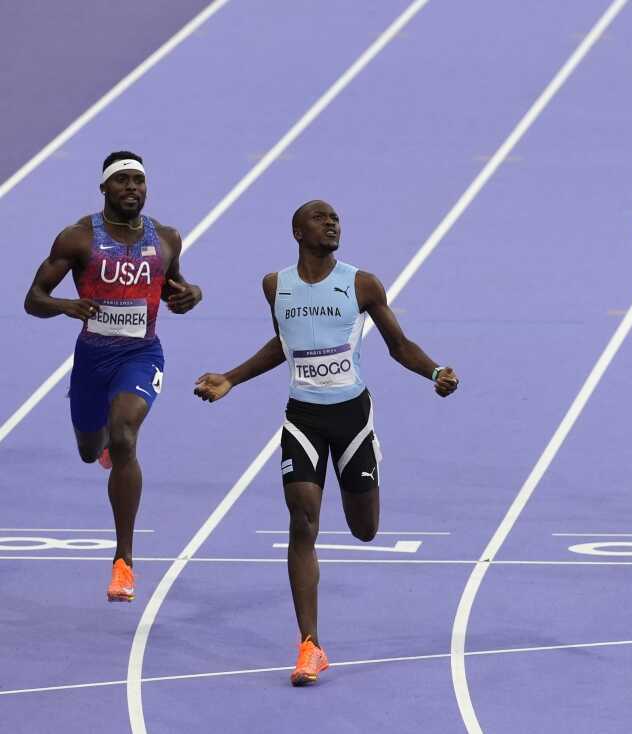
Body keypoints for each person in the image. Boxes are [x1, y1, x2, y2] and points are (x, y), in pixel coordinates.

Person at [193, 199, 459, 686]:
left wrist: (435, 371)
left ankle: (359, 485)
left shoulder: (361, 284)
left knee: (364, 529)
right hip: (303, 419)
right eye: (321, 218)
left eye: (336, 217)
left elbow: (398, 345)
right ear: (297, 231)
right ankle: (310, 645)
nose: (332, 223)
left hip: (352, 417)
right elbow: (284, 344)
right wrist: (231, 378)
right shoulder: (276, 286)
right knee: (302, 521)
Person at [24, 150, 203, 602]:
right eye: (122, 181)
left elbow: (177, 287)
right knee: (92, 449)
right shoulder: (78, 238)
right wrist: (66, 305)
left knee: (125, 435)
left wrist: (192, 295)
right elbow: (34, 298)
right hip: (92, 359)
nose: (132, 189)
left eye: (138, 182)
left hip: (141, 354)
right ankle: (101, 445)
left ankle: (123, 561)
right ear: (104, 188)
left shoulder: (166, 239)